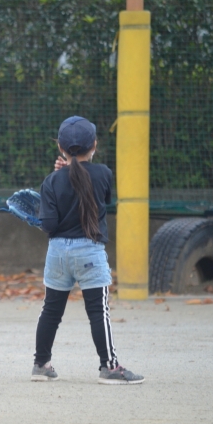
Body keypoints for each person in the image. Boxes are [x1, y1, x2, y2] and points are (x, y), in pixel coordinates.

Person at [32, 116, 144, 385]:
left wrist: (61, 175)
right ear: (94, 145)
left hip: (58, 252)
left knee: (51, 310)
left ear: (60, 147)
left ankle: (41, 364)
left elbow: (49, 225)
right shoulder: (104, 173)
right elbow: (99, 197)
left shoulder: (51, 181)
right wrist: (70, 172)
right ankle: (109, 367)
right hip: (89, 251)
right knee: (97, 311)